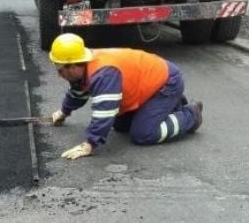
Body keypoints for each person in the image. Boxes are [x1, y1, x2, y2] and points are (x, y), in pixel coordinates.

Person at [48, 33, 203, 160]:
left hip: (167, 83)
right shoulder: (84, 67)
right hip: (150, 85)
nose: (58, 74)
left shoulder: (104, 74)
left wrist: (90, 143)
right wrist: (64, 112)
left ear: (73, 66)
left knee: (143, 134)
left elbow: (105, 112)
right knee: (120, 125)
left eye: (60, 70)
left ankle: (191, 115)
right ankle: (171, 105)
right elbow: (77, 92)